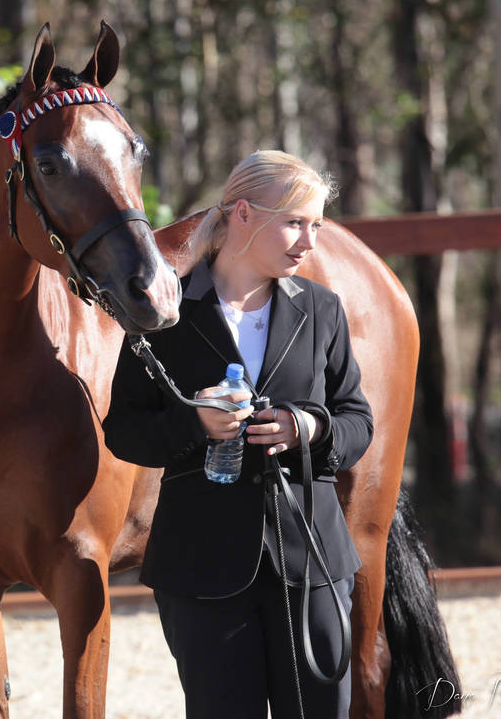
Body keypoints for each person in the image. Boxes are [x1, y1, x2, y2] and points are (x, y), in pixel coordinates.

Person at [102, 150, 373, 719]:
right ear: (244, 213)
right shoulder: (165, 315)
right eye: (296, 222)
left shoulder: (323, 309)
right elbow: (124, 431)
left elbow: (357, 420)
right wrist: (194, 422)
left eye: (316, 225)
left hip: (312, 561)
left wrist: (308, 426)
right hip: (200, 567)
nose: (310, 242)